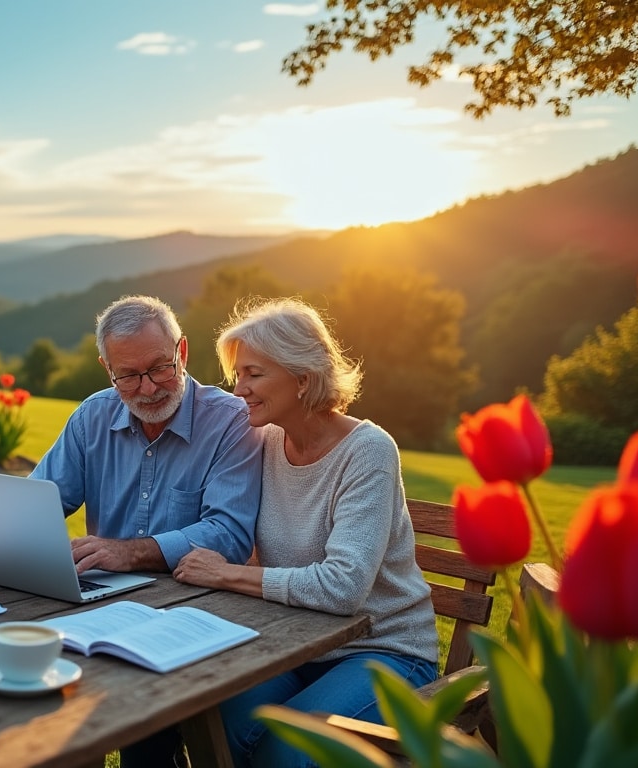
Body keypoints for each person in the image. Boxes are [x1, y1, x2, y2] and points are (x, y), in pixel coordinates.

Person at [171, 296, 439, 768]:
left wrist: (226, 574)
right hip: (297, 645)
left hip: (386, 650)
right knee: (212, 715)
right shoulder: (265, 440)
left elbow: (343, 587)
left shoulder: (369, 451)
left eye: (254, 374)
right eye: (239, 375)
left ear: (302, 377)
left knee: (288, 746)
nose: (240, 390)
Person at [31, 294, 265, 768]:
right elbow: (38, 504)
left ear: (181, 353)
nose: (148, 388)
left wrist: (130, 553)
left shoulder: (231, 421)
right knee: (43, 706)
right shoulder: (92, 417)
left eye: (160, 368)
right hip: (105, 608)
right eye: (128, 375)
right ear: (107, 370)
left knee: (144, 735)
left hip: (195, 610)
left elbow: (231, 533)